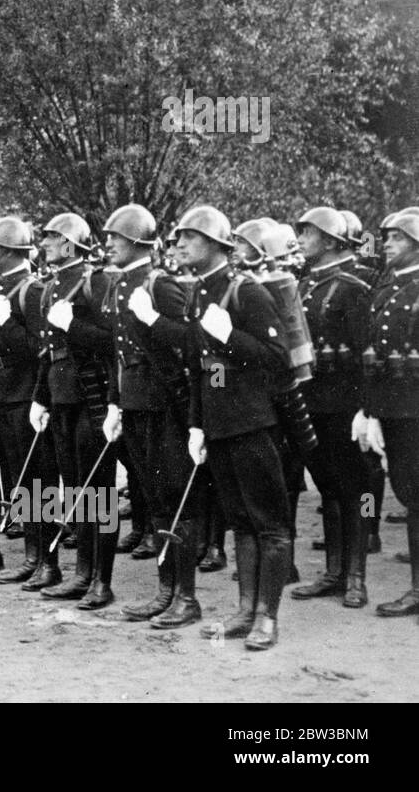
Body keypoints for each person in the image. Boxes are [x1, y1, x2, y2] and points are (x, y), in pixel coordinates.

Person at [171, 206, 292, 651]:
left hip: (253, 424)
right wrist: (197, 424)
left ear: (218, 246)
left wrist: (230, 338)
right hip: (220, 427)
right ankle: (245, 610)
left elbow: (277, 362)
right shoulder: (196, 294)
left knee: (270, 523)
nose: (180, 244)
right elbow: (205, 370)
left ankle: (267, 617)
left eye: (190, 237)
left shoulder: (247, 293)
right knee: (240, 521)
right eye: (179, 237)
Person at [110, 204, 203, 625]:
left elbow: (190, 341)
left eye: (116, 237)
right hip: (134, 404)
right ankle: (165, 591)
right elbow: (117, 353)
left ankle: (186, 597)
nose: (109, 243)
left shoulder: (160, 284)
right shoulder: (118, 284)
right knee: (155, 499)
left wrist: (151, 319)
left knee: (177, 500)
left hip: (165, 406)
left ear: (136, 242)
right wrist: (114, 401)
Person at [33, 212, 117, 605]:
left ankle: (101, 579)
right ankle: (82, 572)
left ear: (68, 243)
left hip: (91, 398)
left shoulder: (94, 282)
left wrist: (74, 327)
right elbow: (47, 352)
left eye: (50, 238)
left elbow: (113, 342)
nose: (44, 244)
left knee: (97, 490)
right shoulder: (51, 286)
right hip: (61, 396)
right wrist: (39, 396)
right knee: (74, 489)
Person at [292, 207, 372, 609]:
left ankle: (356, 576)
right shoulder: (307, 284)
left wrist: (366, 409)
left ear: (329, 240)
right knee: (329, 487)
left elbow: (365, 355)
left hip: (344, 406)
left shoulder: (353, 287)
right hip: (313, 403)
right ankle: (333, 572)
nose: (301, 238)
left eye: (308, 232)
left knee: (355, 489)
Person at [0, 217, 54, 586]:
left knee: (38, 479)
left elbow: (38, 350)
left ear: (10, 250)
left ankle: (47, 561)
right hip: (6, 394)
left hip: (29, 396)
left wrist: (8, 324)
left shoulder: (33, 290)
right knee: (19, 478)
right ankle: (31, 555)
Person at [356, 210, 419, 619]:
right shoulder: (386, 287)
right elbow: (373, 358)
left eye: (398, 237)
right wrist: (370, 411)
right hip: (394, 411)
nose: (388, 243)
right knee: (409, 495)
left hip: (414, 412)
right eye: (387, 236)